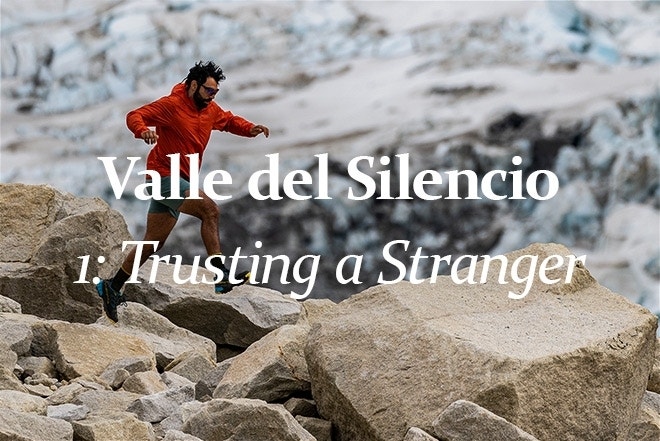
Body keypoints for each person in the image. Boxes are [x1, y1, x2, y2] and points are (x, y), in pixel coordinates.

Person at [96, 61, 269, 322]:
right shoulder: (172, 106)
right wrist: (143, 131)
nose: (212, 97)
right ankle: (221, 274)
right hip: (164, 176)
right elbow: (135, 115)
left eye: (215, 92)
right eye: (208, 91)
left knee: (153, 243)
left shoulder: (209, 109)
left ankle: (111, 286)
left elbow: (229, 121)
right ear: (193, 86)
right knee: (209, 210)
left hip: (181, 178)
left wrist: (250, 128)